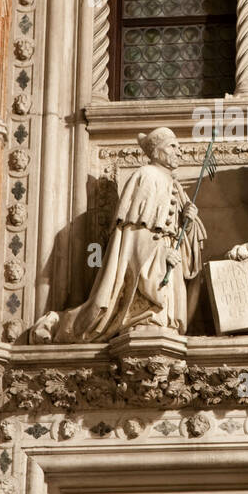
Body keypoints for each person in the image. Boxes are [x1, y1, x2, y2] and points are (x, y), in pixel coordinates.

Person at [33, 128, 205, 342]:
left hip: (169, 260)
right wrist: (161, 256)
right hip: (154, 260)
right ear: (157, 152)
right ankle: (60, 324)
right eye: (172, 146)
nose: (179, 151)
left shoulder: (176, 185)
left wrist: (188, 223)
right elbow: (135, 235)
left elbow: (183, 236)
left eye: (179, 147)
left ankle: (158, 319)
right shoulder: (147, 176)